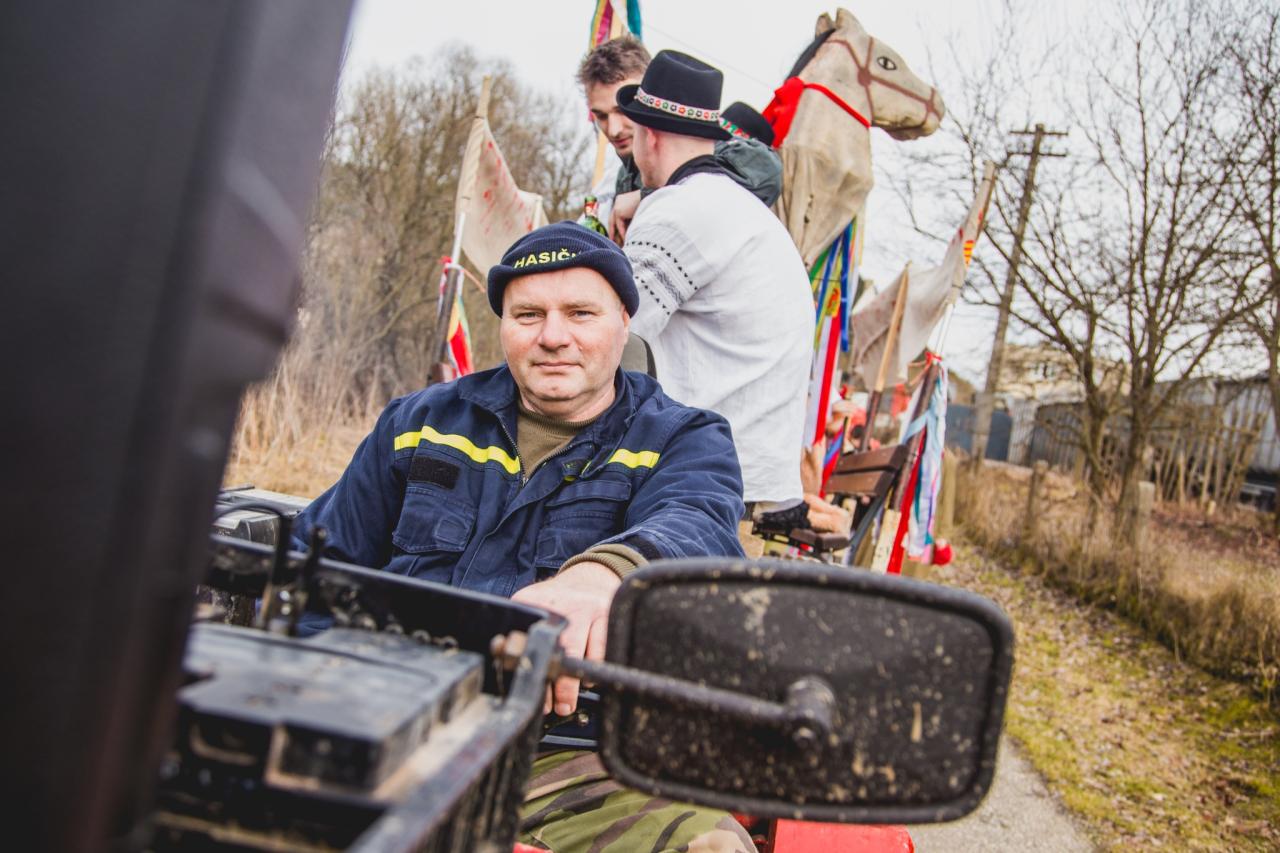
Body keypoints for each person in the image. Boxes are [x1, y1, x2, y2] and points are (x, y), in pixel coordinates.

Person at [291, 221, 755, 853]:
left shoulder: (683, 438)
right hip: (381, 725)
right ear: (503, 326)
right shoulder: (418, 422)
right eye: (528, 314)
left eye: (580, 313)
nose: (553, 336)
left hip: (565, 758)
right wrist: (325, 687)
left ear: (624, 320)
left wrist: (604, 574)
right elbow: (317, 560)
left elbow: (697, 520)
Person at [616, 50, 814, 520]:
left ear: (650, 136)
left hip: (699, 478)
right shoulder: (741, 207)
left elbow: (612, 334)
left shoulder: (677, 209)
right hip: (748, 466)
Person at [576, 39, 783, 240]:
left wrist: (645, 196)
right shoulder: (623, 175)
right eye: (601, 116)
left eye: (622, 110)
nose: (614, 130)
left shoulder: (697, 147)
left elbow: (767, 172)